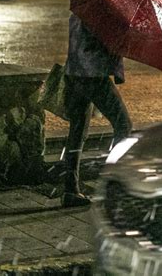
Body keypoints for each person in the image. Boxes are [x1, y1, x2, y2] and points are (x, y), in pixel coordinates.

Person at [61, 13, 132, 207]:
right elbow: (109, 46)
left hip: (75, 73)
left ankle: (70, 189)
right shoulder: (102, 13)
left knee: (77, 132)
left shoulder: (81, 8)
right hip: (93, 75)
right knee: (123, 125)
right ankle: (112, 188)